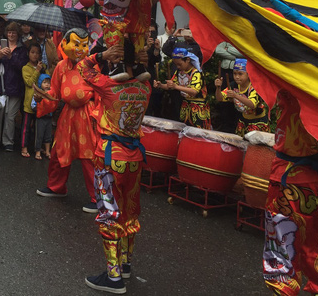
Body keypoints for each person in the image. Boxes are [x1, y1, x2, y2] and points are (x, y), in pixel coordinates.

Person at [78, 42, 151, 295]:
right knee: (130, 213)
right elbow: (142, 72)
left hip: (109, 159)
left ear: (117, 61)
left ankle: (113, 277)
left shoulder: (110, 87)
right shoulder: (145, 87)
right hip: (134, 160)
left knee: (110, 214)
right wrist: (141, 60)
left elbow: (82, 68)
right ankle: (126, 264)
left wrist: (101, 55)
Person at [262, 90, 318, 296]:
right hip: (295, 174)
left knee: (306, 236)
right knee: (296, 237)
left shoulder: (298, 78)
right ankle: (314, 287)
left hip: (310, 175)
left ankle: (315, 287)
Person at [36, 28, 99, 212]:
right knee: (58, 152)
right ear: (64, 44)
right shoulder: (61, 67)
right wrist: (42, 97)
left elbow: (101, 91)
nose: (80, 48)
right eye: (76, 44)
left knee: (90, 157)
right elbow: (54, 93)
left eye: (84, 44)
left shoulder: (92, 66)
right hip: (68, 115)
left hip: (87, 114)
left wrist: (98, 115)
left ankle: (98, 198)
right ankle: (56, 187)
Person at [0, 21, 28, 151]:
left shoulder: (22, 49)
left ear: (18, 34)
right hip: (0, 85)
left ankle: (8, 142)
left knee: (10, 116)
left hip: (15, 86)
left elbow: (22, 67)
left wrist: (11, 57)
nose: (11, 35)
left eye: (14, 32)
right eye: (9, 32)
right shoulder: (1, 45)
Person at [154, 47, 211, 129]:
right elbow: (172, 85)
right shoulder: (179, 72)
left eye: (179, 64)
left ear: (187, 60)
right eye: (176, 64)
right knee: (185, 130)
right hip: (185, 105)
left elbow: (194, 91)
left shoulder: (196, 73)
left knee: (198, 132)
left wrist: (176, 86)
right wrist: (161, 85)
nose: (178, 67)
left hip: (198, 107)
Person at [215, 58, 270, 136]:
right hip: (243, 120)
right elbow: (219, 98)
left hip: (258, 121)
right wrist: (218, 87)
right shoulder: (233, 85)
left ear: (248, 74)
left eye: (240, 74)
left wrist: (235, 95)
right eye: (235, 74)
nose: (237, 77)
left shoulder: (254, 86)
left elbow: (252, 104)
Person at [21, 42, 46, 158]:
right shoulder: (25, 68)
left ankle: (37, 147)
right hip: (29, 101)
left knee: (38, 126)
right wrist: (37, 71)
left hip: (40, 101)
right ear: (28, 53)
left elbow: (47, 81)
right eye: (32, 52)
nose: (35, 55)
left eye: (37, 53)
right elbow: (29, 83)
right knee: (26, 126)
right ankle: (24, 147)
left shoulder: (43, 67)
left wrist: (42, 70)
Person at [32, 73, 56, 160]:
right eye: (44, 82)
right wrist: (39, 107)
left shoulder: (52, 94)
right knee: (39, 135)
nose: (47, 84)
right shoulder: (37, 94)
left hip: (49, 118)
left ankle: (47, 151)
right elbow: (33, 105)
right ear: (40, 84)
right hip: (41, 118)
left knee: (48, 135)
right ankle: (37, 151)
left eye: (48, 83)